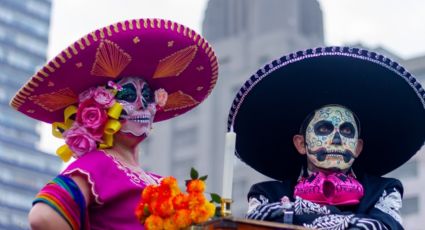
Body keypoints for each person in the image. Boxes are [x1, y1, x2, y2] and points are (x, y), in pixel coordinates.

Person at [9, 18, 218, 229]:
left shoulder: (159, 182)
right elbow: (43, 217)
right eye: (128, 95)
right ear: (98, 108)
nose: (141, 105)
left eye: (147, 96)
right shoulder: (98, 164)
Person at [226, 47, 425, 229]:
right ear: (301, 144)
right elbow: (257, 223)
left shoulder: (384, 190)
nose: (337, 139)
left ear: (357, 147)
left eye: (347, 131)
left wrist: (292, 211)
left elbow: (382, 226)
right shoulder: (265, 193)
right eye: (324, 128)